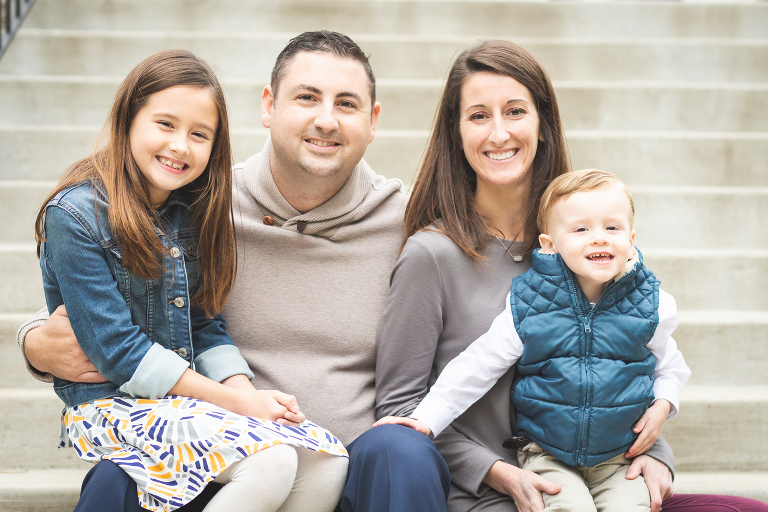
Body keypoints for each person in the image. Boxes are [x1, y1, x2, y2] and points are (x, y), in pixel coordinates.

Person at [17, 32, 450, 512]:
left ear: (372, 122)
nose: (325, 119)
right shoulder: (206, 204)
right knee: (115, 482)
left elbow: (480, 324)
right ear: (268, 106)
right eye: (307, 97)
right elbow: (111, 303)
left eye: (346, 104)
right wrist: (33, 340)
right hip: (216, 451)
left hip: (347, 465)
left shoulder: (408, 222)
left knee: (399, 453)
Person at [374, 40, 768, 512]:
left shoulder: (587, 240)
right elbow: (401, 414)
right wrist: (495, 472)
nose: (499, 132)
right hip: (494, 495)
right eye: (478, 115)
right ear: (456, 133)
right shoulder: (431, 256)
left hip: (603, 476)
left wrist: (655, 454)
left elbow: (631, 356)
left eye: (515, 111)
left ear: (543, 125)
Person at [376, 169, 692, 511]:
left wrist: (663, 405)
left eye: (612, 227)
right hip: (547, 454)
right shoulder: (530, 302)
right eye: (581, 229)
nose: (599, 238)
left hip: (617, 460)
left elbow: (671, 367)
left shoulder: (652, 303)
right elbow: (478, 364)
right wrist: (426, 419)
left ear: (631, 238)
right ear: (550, 245)